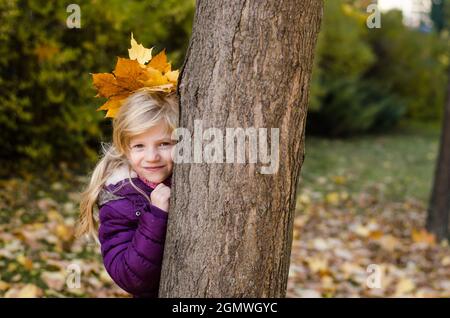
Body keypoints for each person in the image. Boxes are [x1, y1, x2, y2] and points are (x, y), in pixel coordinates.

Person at [76, 34, 180, 297]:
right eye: (139, 146)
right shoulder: (120, 199)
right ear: (124, 148)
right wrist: (156, 215)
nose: (152, 156)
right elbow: (129, 276)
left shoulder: (182, 175)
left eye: (165, 144)